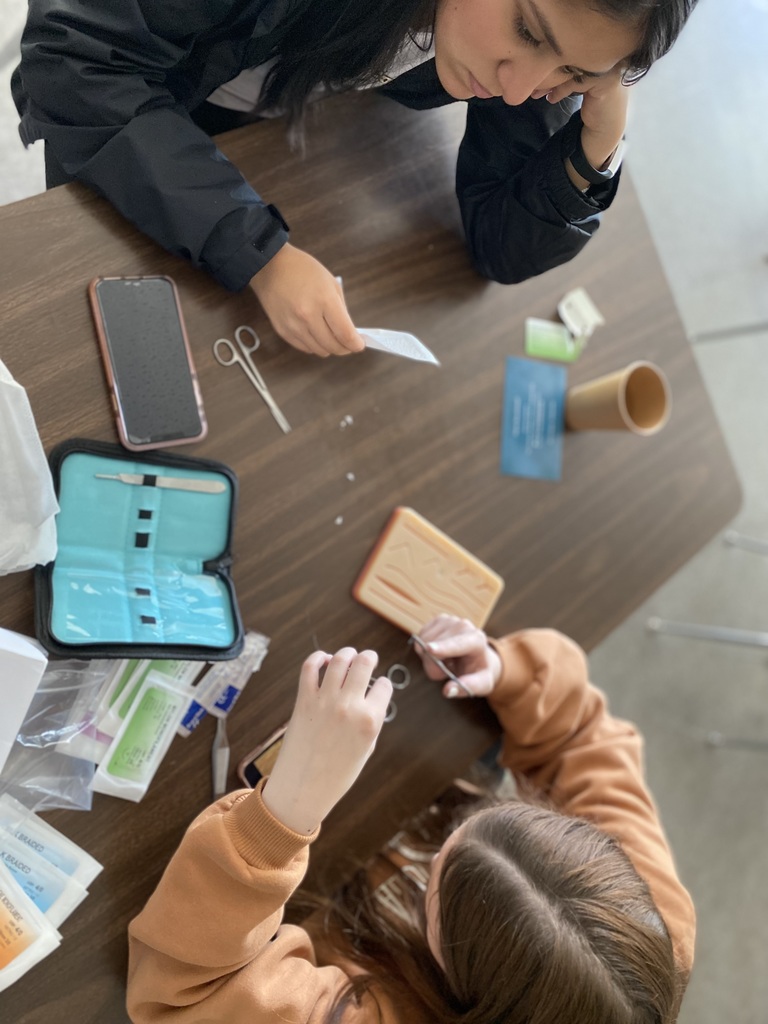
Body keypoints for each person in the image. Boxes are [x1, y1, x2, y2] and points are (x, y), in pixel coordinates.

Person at [13, 0, 696, 358]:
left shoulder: (537, 59)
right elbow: (74, 67)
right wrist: (260, 254)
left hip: (254, 120)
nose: (521, 91)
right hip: (149, 100)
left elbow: (501, 246)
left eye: (576, 74)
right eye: (526, 29)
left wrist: (599, 138)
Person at [126, 615, 695, 1023]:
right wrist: (509, 673)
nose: (438, 848)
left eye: (435, 879)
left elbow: (180, 997)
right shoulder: (647, 926)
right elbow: (580, 735)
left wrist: (287, 809)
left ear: (448, 963)